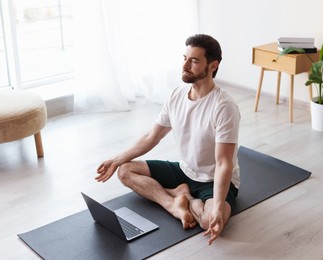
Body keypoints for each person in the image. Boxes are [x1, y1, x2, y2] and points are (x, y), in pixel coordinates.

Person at [96, 34, 241, 245]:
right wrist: (117, 159)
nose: (185, 65)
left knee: (208, 220)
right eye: (184, 58)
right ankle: (173, 204)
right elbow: (152, 136)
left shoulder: (224, 106)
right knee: (125, 171)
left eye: (193, 60)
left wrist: (218, 207)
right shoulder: (176, 95)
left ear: (213, 66)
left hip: (213, 179)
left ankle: (186, 198)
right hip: (184, 169)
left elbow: (223, 163)